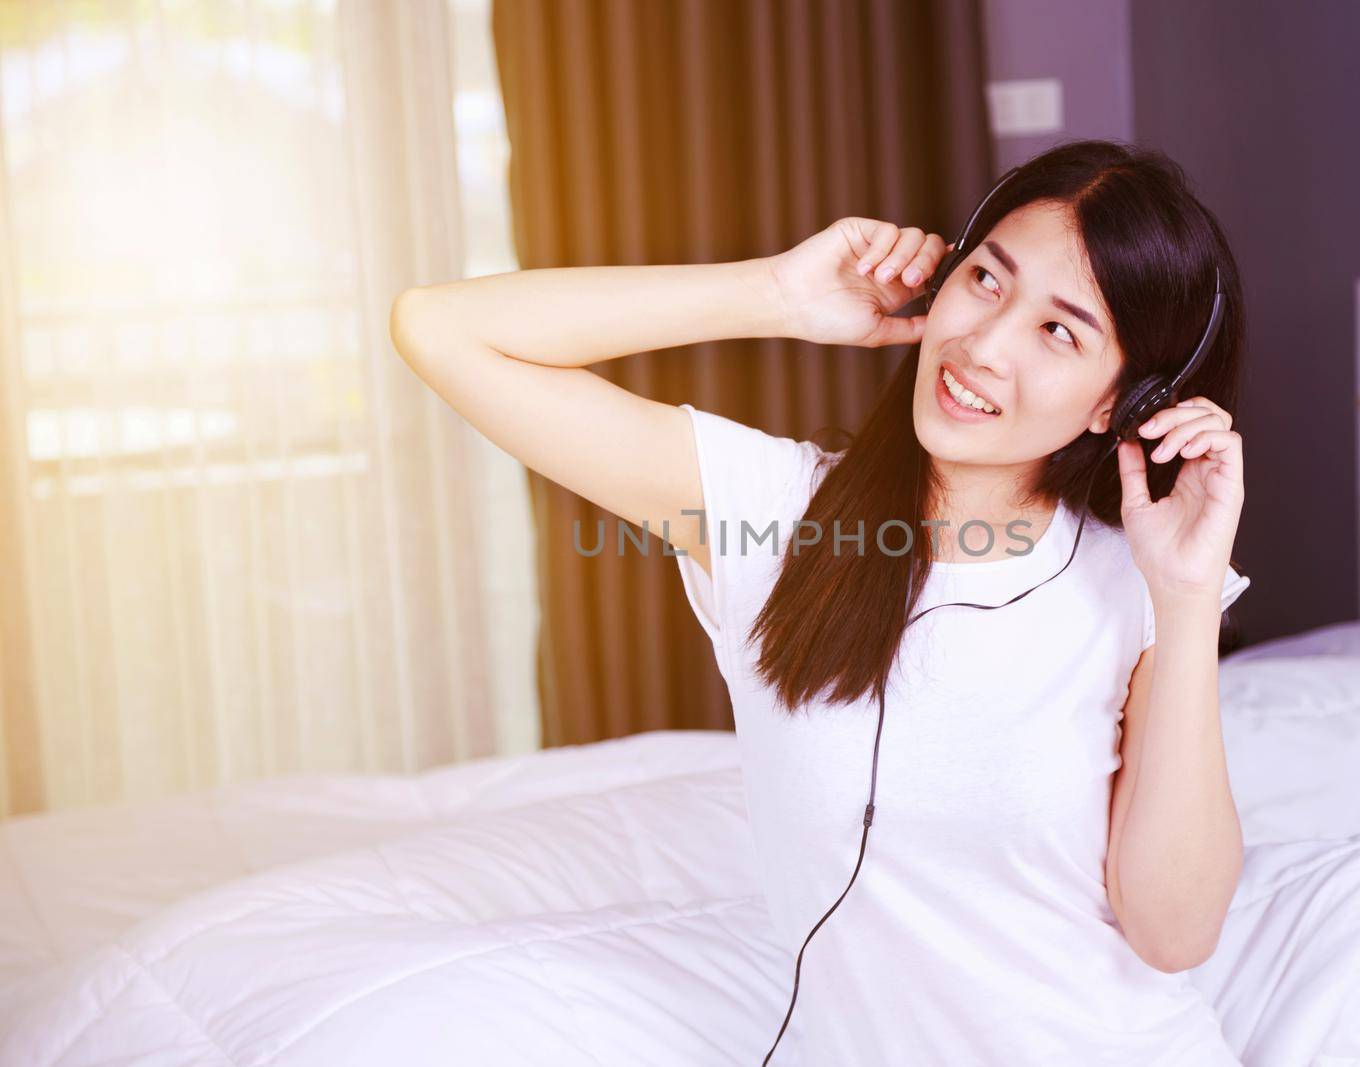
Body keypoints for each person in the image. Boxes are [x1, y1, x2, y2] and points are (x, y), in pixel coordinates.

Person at [389, 138, 1252, 1066]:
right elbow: (438, 327)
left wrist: (1189, 598)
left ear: (1118, 405)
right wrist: (775, 294)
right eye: (987, 280)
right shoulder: (775, 514)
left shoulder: (1142, 586)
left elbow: (1174, 933)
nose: (984, 345)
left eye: (1059, 332)